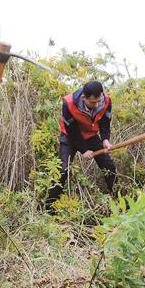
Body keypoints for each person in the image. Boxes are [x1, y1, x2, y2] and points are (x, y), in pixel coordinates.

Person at [45, 81, 116, 213]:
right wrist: (84, 150)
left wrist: (105, 139)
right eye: (92, 102)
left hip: (91, 135)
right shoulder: (69, 103)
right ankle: (49, 208)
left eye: (98, 101)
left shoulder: (105, 101)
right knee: (62, 170)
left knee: (109, 166)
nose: (96, 105)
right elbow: (72, 130)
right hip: (70, 137)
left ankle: (117, 199)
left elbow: (105, 122)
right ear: (84, 98)